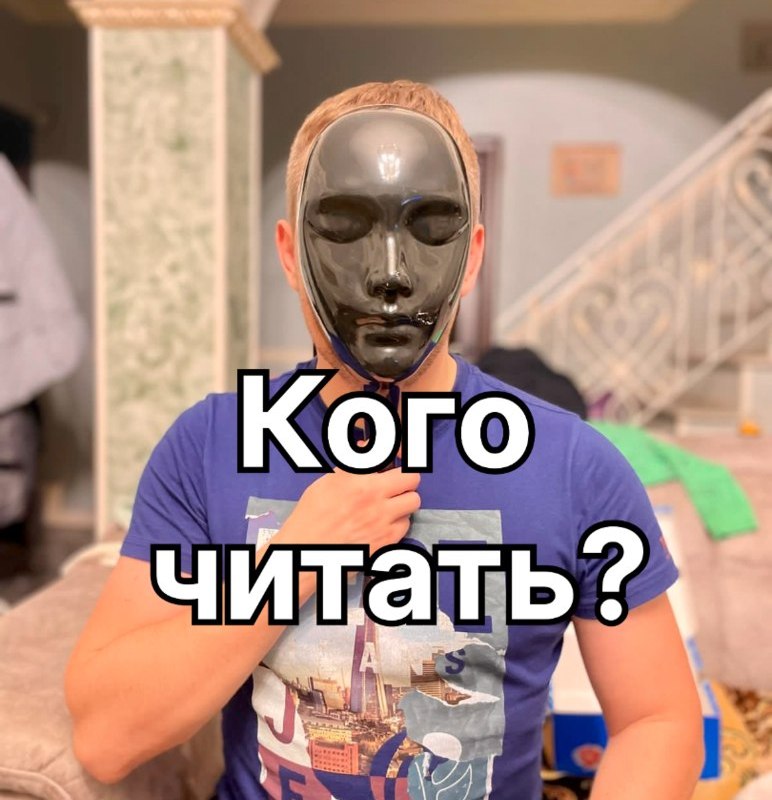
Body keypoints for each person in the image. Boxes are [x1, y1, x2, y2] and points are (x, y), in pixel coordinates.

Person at [65, 80, 704, 800]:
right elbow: (107, 738)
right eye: (343, 226)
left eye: (431, 227)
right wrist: (294, 564)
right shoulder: (208, 446)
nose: (390, 275)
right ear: (289, 252)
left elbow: (657, 720)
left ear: (472, 256)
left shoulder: (575, 468)